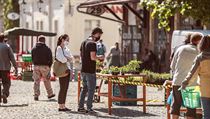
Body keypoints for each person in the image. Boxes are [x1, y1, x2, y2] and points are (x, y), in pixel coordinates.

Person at [170, 32, 202, 119]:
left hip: (177, 81)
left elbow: (172, 66)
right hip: (192, 83)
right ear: (199, 41)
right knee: (191, 107)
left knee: (175, 105)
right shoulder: (200, 52)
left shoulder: (180, 49)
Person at [181, 35, 210, 119]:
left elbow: (192, 73)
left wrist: (185, 83)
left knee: (207, 112)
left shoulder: (200, 57)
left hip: (204, 88)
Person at [78, 27, 104, 113]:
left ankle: (80, 107)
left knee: (84, 88)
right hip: (90, 70)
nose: (99, 37)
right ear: (96, 34)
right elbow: (93, 57)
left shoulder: (83, 42)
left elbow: (81, 56)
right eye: (99, 35)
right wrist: (100, 57)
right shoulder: (92, 44)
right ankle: (89, 108)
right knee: (91, 89)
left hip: (83, 69)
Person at [31, 35, 55, 101]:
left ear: (38, 40)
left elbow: (32, 58)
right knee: (46, 80)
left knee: (36, 81)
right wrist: (49, 67)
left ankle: (36, 95)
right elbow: (50, 59)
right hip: (45, 66)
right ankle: (50, 94)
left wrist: (35, 64)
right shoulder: (47, 49)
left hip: (36, 66)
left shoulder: (34, 48)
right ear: (44, 40)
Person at [55, 34, 72, 111]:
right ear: (62, 40)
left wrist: (67, 58)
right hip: (62, 70)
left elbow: (71, 58)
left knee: (65, 88)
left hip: (67, 69)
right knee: (62, 88)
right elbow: (61, 59)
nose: (68, 41)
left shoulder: (66, 48)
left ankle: (63, 105)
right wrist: (67, 58)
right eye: (67, 40)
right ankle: (60, 106)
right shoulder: (59, 48)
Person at [0, 33, 18, 104]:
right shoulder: (7, 46)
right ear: (3, 39)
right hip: (5, 69)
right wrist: (16, 68)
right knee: (7, 82)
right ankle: (4, 93)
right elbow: (12, 58)